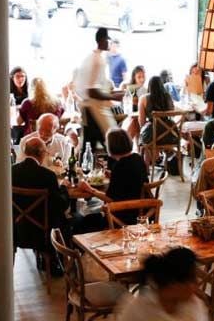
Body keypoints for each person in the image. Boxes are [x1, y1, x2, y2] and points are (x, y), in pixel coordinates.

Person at [11, 137, 69, 273]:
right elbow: (60, 205)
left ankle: (48, 261)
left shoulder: (11, 171)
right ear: (42, 153)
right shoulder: (48, 176)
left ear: (25, 151)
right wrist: (64, 189)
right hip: (43, 234)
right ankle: (59, 262)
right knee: (66, 220)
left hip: (16, 230)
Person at [76, 128, 149, 230]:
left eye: (107, 142)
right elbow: (132, 180)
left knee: (80, 221)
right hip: (140, 210)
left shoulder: (120, 166)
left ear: (112, 146)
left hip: (122, 216)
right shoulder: (137, 158)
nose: (106, 144)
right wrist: (113, 175)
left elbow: (110, 199)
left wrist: (89, 189)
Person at [73, 27, 119, 149]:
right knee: (113, 143)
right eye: (109, 40)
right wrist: (114, 96)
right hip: (95, 109)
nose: (110, 43)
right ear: (103, 40)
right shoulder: (98, 60)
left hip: (88, 108)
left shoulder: (90, 57)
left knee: (89, 146)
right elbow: (92, 91)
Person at [139, 76, 179, 158]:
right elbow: (173, 114)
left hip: (152, 135)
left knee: (145, 138)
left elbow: (142, 122)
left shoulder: (143, 99)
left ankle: (147, 167)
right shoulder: (168, 97)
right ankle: (166, 161)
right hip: (169, 134)